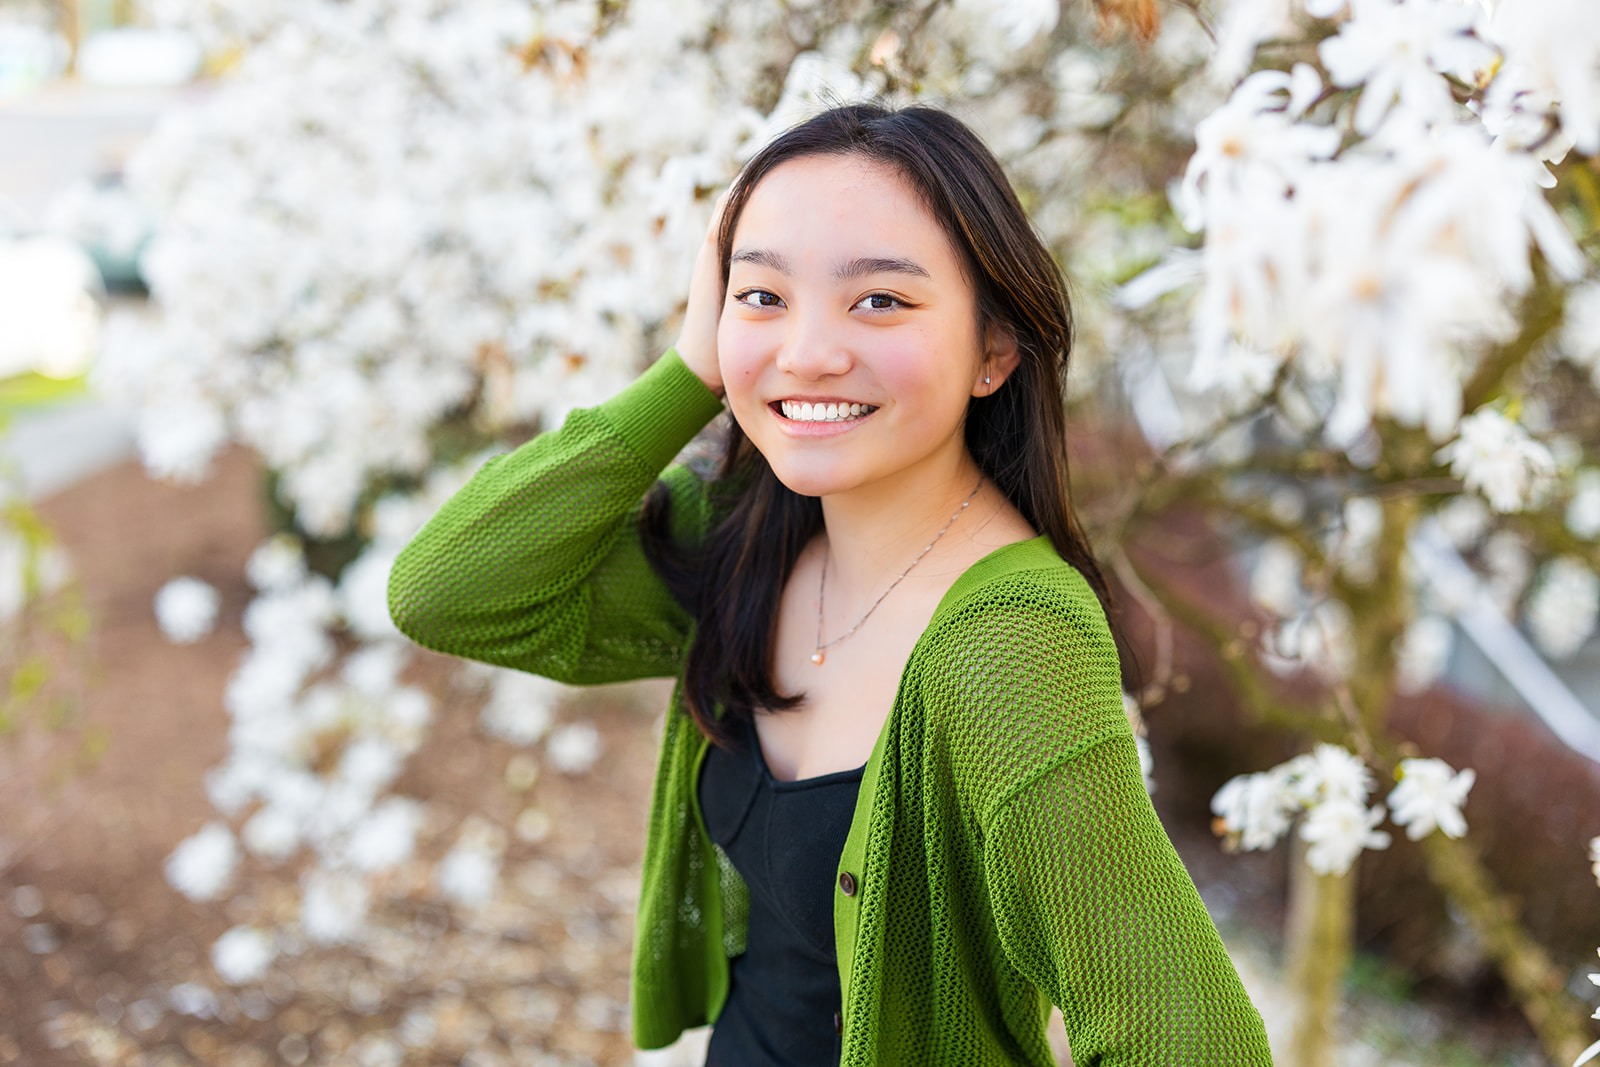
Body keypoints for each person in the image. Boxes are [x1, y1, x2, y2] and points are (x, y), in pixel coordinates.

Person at [388, 103, 1272, 1066]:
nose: (807, 351)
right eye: (762, 295)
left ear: (994, 352)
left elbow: (1191, 1038)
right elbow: (445, 589)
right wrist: (695, 369)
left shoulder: (1011, 645)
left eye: (880, 300)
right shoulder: (744, 536)